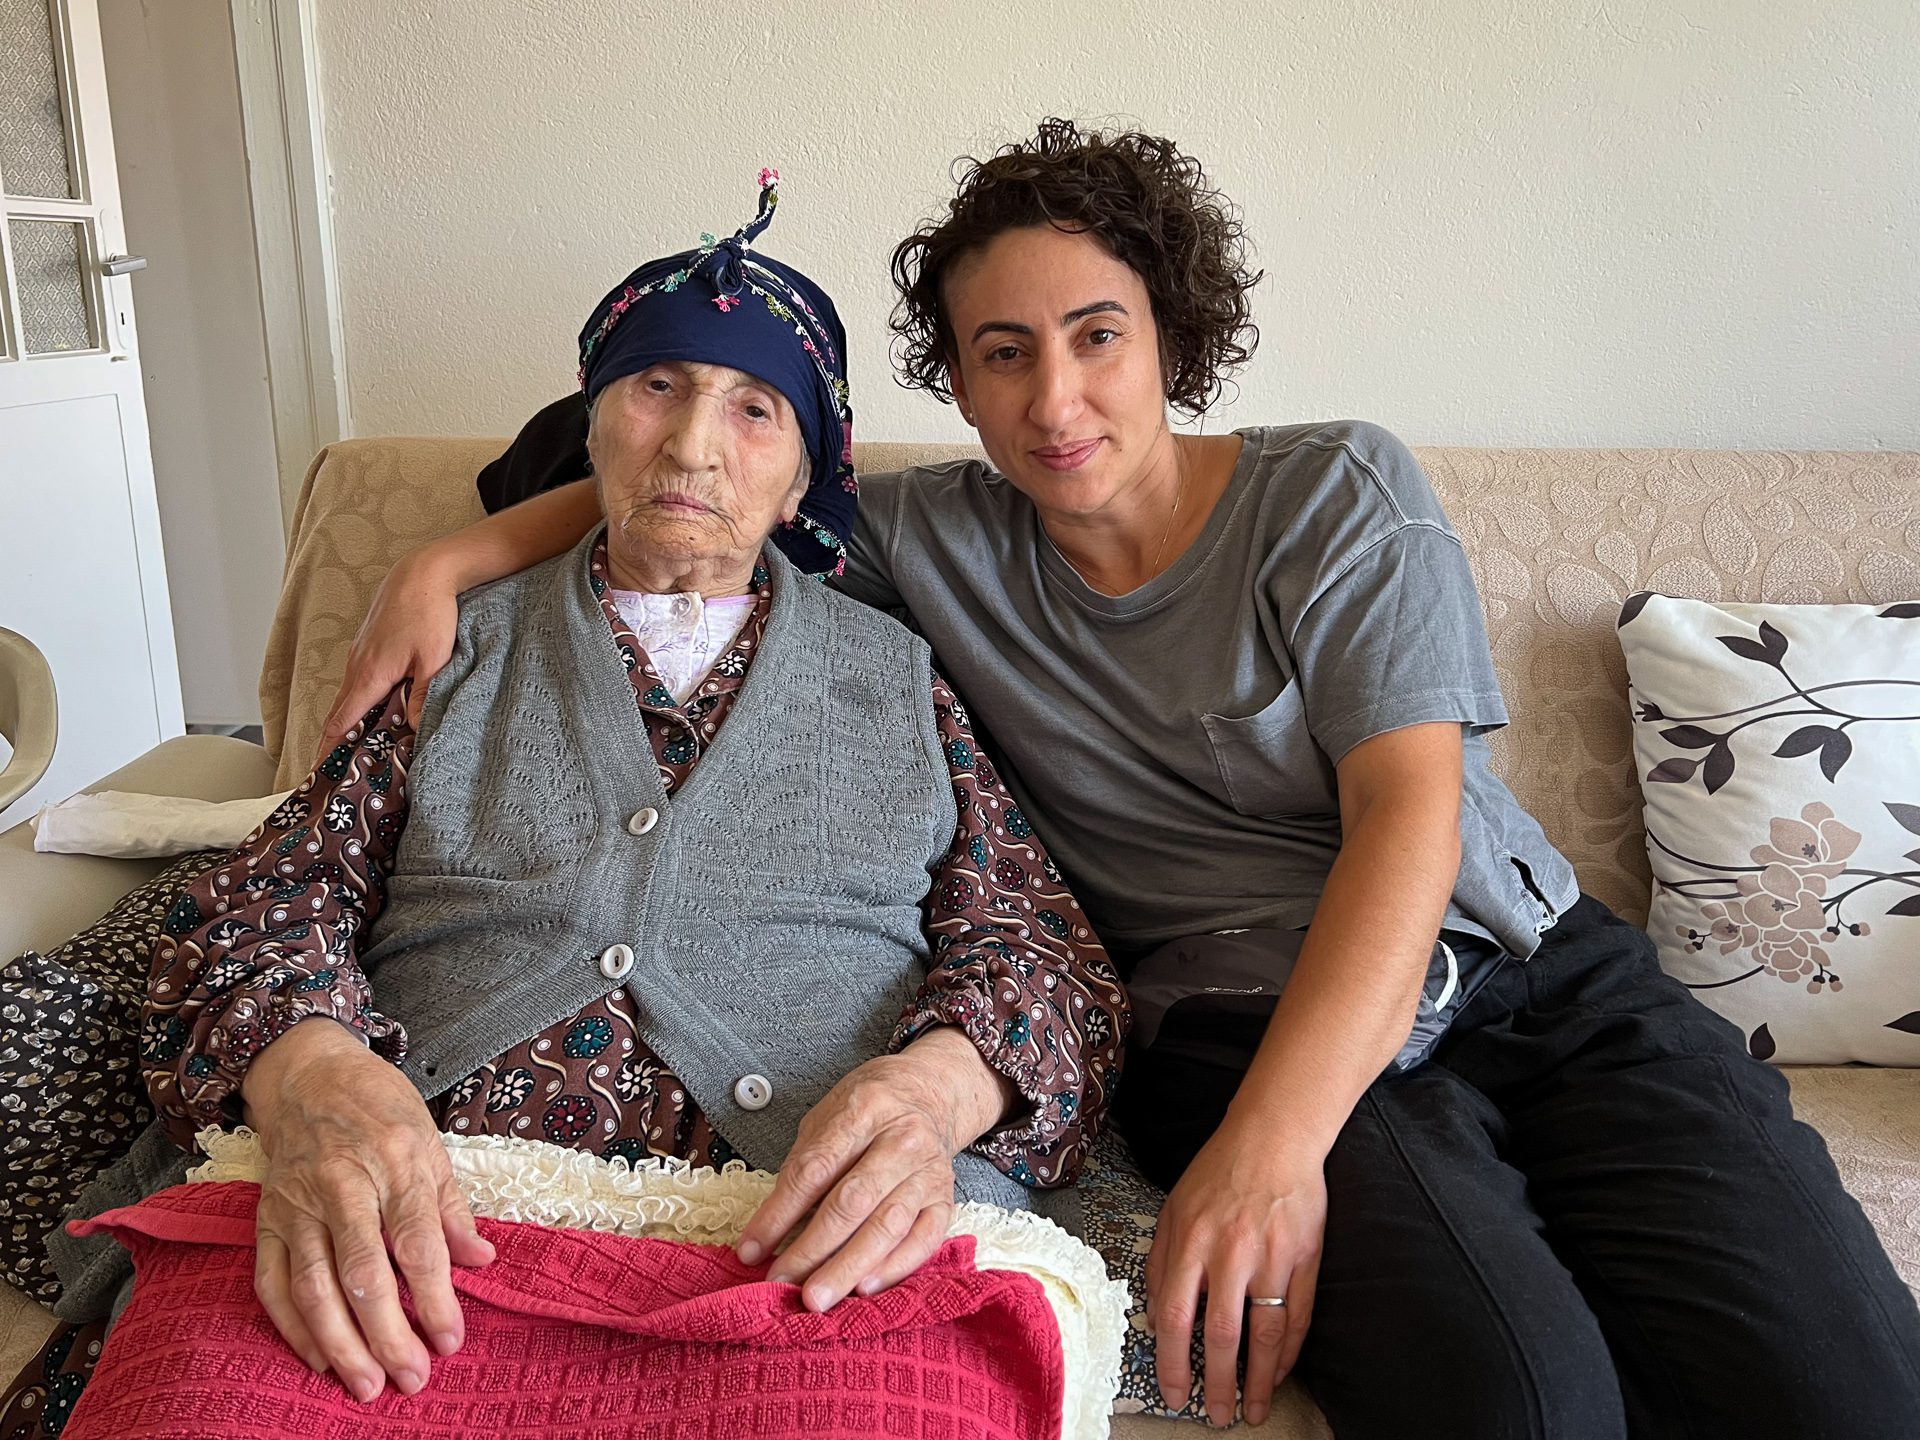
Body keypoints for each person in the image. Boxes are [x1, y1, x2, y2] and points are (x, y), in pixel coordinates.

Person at [321, 122, 1920, 1436]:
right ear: (957, 384)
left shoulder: (1337, 489)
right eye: (1002, 355)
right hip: (1231, 1017)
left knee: (1848, 1391)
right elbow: (709, 487)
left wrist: (1271, 1153)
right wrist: (451, 560)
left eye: (1098, 337)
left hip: (1535, 980)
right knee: (1520, 1405)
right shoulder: (925, 542)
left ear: (1172, 337)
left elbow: (1409, 822)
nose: (1056, 401)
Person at [0, 174, 1126, 1434]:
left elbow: (1044, 958)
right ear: (591, 430)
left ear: (805, 478)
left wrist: (935, 1094)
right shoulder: (453, 650)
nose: (692, 446)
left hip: (800, 1240)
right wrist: (311, 1076)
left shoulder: (900, 679)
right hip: (416, 1206)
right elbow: (269, 898)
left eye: (754, 409)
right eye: (657, 388)